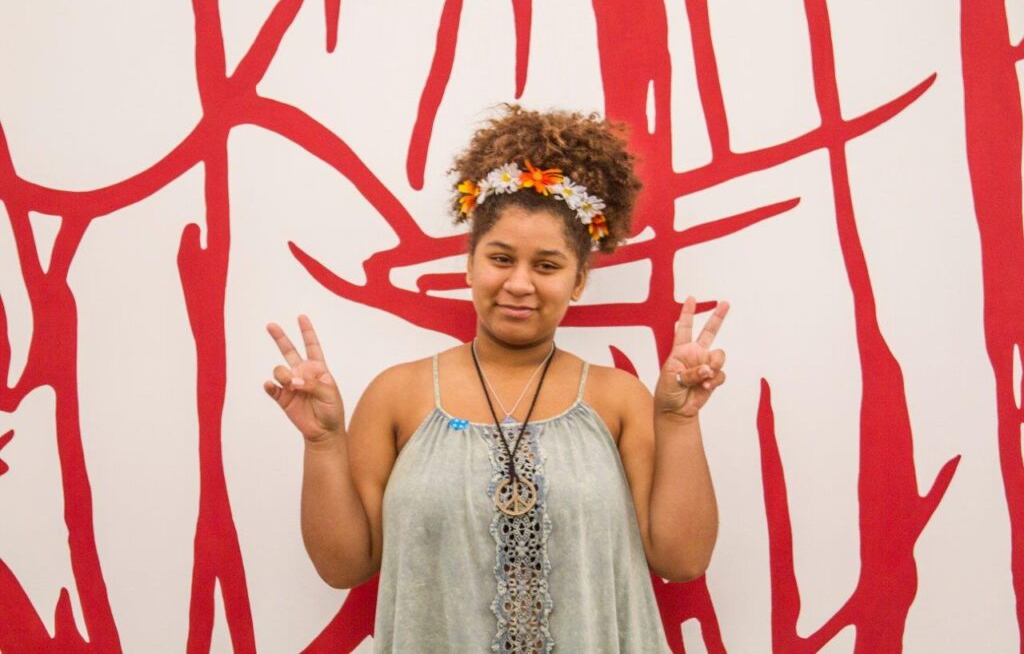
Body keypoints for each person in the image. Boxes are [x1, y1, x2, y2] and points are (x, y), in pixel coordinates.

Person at [264, 105, 729, 652]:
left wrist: (677, 420)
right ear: (470, 264)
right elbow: (344, 566)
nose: (520, 283)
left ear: (579, 281)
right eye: (501, 258)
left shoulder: (619, 399)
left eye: (548, 266)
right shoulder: (398, 396)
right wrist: (322, 442)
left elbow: (683, 559)